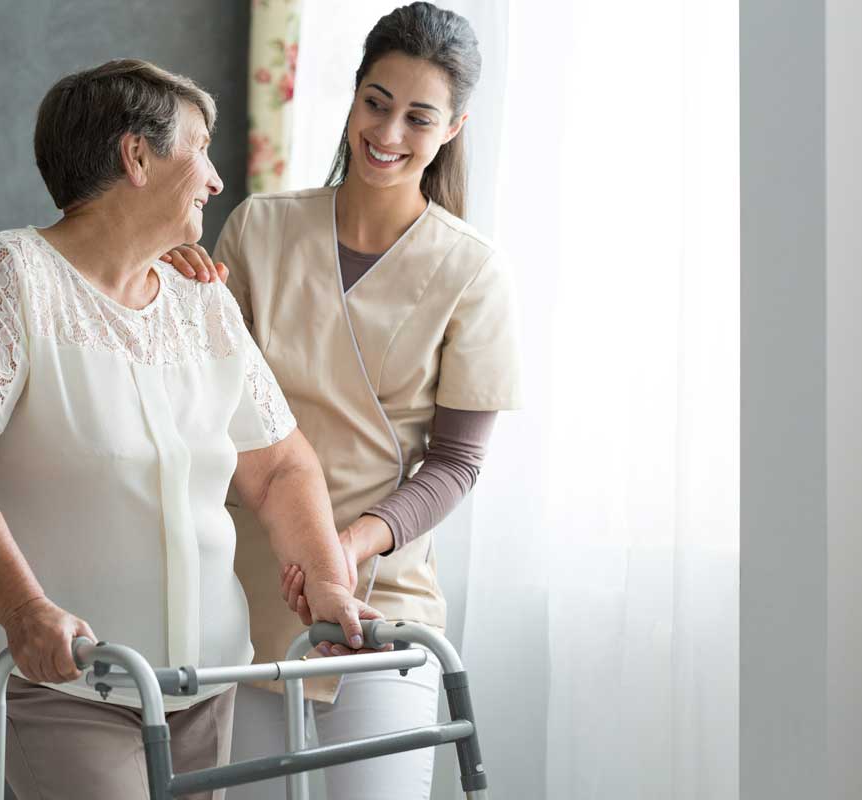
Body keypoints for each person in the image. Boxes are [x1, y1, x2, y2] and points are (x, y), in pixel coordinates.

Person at [0, 59, 374, 800]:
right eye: (201, 149)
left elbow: (279, 467)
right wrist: (26, 612)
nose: (215, 180)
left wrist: (331, 582)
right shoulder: (14, 273)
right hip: (68, 675)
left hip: (205, 677)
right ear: (137, 156)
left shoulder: (199, 298)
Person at [165, 4, 522, 798]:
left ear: (453, 128)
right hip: (251, 597)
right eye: (376, 101)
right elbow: (203, 403)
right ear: (354, 95)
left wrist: (353, 544)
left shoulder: (472, 273)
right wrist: (174, 299)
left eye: (418, 116)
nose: (389, 132)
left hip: (382, 604)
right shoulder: (258, 230)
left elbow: (458, 464)